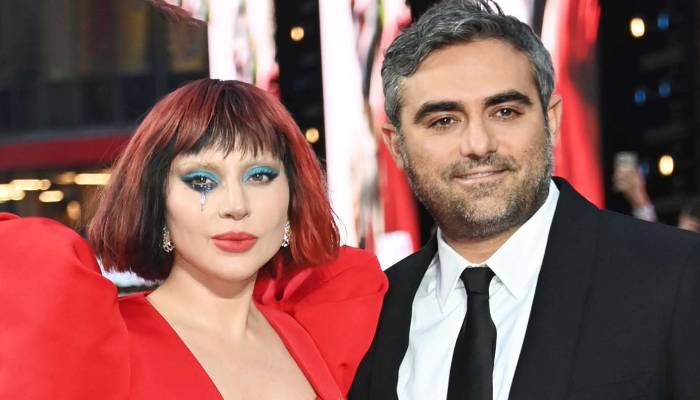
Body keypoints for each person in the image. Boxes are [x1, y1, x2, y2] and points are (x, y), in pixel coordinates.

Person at [349, 1, 700, 400]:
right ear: (397, 146)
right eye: (444, 121)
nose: (479, 144)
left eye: (504, 112)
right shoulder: (374, 314)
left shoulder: (676, 275)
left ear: (551, 120)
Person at [0, 79, 387, 399]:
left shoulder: (312, 333)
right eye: (202, 181)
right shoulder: (106, 347)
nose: (235, 206)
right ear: (157, 201)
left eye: (259, 176)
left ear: (293, 196)